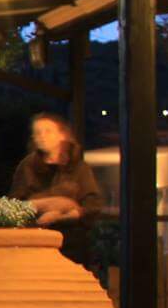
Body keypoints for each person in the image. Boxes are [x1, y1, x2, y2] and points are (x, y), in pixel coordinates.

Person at [8, 112, 102, 263]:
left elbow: (92, 206)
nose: (42, 136)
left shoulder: (78, 167)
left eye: (48, 131)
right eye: (37, 132)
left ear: (62, 135)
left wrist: (61, 215)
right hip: (35, 242)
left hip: (71, 243)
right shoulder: (27, 166)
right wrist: (39, 206)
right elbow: (14, 205)